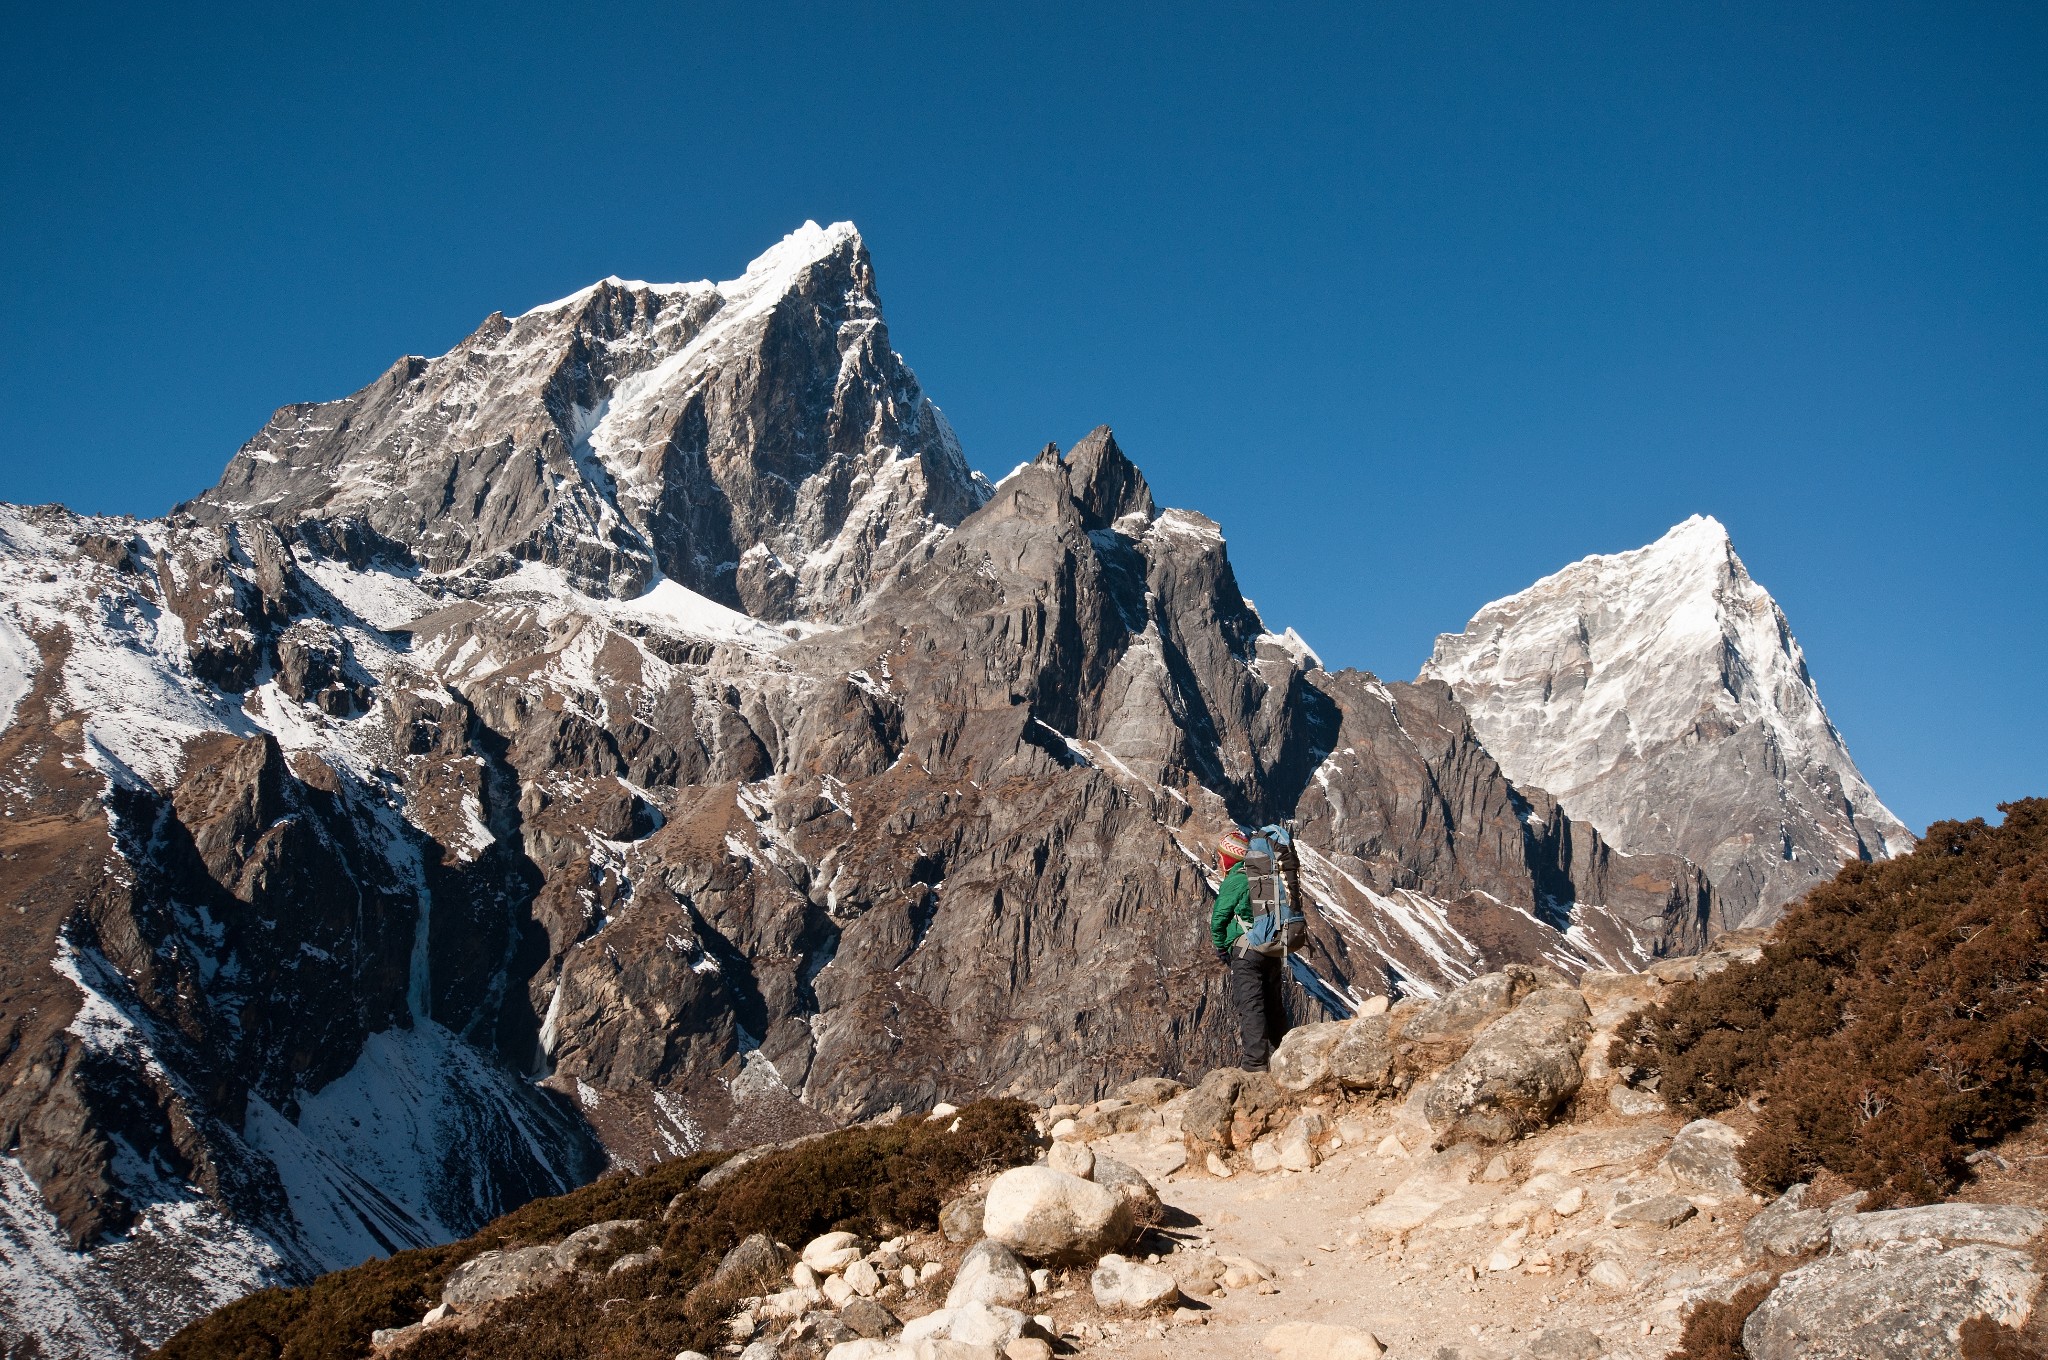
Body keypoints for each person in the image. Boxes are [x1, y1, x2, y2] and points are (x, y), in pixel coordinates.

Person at [1208, 827, 1287, 1071]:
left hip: (1247, 950)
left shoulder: (1237, 878)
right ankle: (1289, 1052)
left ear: (1228, 858)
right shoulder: (1264, 876)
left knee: (1251, 1004)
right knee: (1273, 1005)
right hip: (1272, 948)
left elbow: (1220, 915)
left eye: (1220, 857)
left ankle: (1254, 1065)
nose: (1219, 862)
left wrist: (1221, 946)